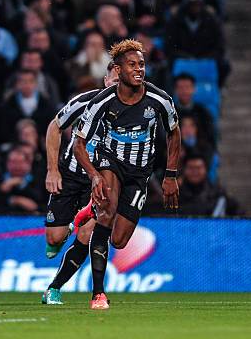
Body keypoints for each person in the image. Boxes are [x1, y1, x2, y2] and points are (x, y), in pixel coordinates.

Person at [73, 39, 181, 310]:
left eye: (142, 64)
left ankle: (92, 216)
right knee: (107, 214)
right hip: (111, 164)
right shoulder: (102, 102)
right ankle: (98, 294)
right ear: (118, 70)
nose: (139, 69)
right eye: (132, 65)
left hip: (140, 174)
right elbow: (79, 143)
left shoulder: (159, 99)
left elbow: (174, 132)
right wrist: (95, 175)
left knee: (119, 241)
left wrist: (170, 175)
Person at [41, 61, 119, 305]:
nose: (118, 86)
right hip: (70, 175)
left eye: (123, 82)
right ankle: (68, 227)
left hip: (100, 180)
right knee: (54, 239)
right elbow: (55, 126)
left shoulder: (133, 111)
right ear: (106, 81)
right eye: (115, 81)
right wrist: (52, 170)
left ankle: (54, 288)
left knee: (87, 234)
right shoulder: (84, 102)